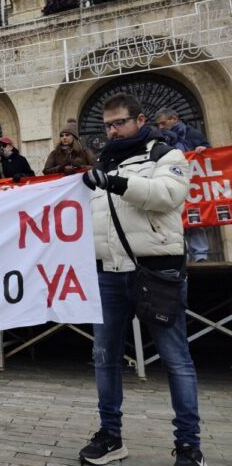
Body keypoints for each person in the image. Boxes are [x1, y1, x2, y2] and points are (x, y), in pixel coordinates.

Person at [79, 93, 206, 466]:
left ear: (139, 120)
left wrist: (114, 182)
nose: (112, 131)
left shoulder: (166, 155)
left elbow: (166, 196)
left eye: (119, 123)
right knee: (104, 358)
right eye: (107, 125)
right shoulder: (102, 164)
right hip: (108, 273)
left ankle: (189, 445)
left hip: (157, 270)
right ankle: (111, 436)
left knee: (175, 359)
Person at [155, 107, 212, 263]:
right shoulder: (159, 139)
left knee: (195, 217)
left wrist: (204, 150)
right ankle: (182, 256)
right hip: (172, 183)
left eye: (163, 123)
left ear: (174, 118)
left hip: (193, 184)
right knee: (175, 219)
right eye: (158, 124)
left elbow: (210, 154)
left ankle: (200, 256)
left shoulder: (192, 133)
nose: (160, 127)